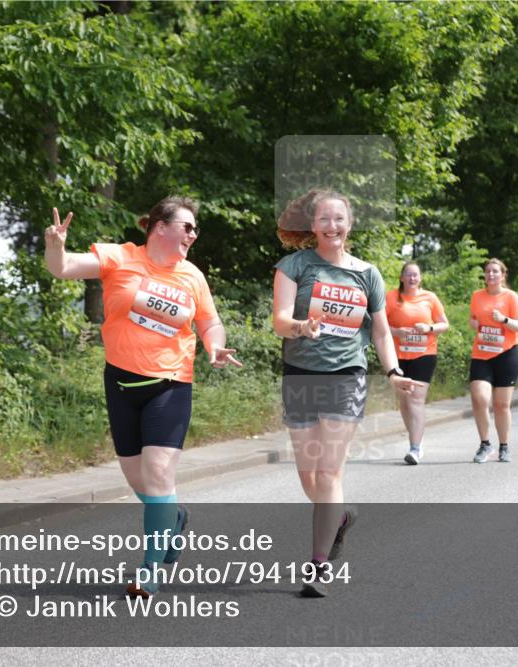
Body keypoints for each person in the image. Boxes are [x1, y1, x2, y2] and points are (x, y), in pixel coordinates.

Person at [44, 197, 242, 599]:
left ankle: (151, 568)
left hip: (170, 384)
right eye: (187, 226)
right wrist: (56, 243)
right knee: (141, 483)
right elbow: (61, 268)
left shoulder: (192, 276)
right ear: (159, 227)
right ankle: (175, 516)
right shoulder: (121, 258)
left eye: (195, 229)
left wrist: (214, 346)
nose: (193, 234)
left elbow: (210, 321)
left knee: (156, 474)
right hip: (120, 384)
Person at [273, 189, 419, 598]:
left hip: (346, 377)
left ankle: (318, 566)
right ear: (312, 225)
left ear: (349, 223)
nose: (332, 226)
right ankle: (336, 520)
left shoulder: (367, 274)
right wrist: (303, 327)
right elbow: (280, 321)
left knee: (328, 473)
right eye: (324, 219)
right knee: (308, 477)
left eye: (339, 219)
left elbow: (380, 330)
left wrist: (392, 371)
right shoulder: (294, 266)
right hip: (300, 375)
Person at [385, 262, 449, 464]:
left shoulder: (430, 298)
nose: (412, 278)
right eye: (408, 275)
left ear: (420, 278)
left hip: (424, 354)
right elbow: (379, 324)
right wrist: (397, 332)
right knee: (404, 400)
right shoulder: (391, 297)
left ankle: (414, 448)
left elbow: (444, 324)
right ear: (402, 277)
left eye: (416, 275)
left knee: (416, 399)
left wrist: (429, 328)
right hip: (398, 355)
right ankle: (416, 439)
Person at [469, 258, 518, 463]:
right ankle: (485, 445)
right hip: (482, 353)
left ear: (502, 275)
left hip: (506, 354)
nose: (491, 275)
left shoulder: (511, 297)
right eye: (488, 271)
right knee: (479, 398)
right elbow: (472, 319)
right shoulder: (477, 296)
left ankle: (504, 446)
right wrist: (474, 323)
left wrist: (503, 319)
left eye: (495, 271)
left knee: (502, 405)